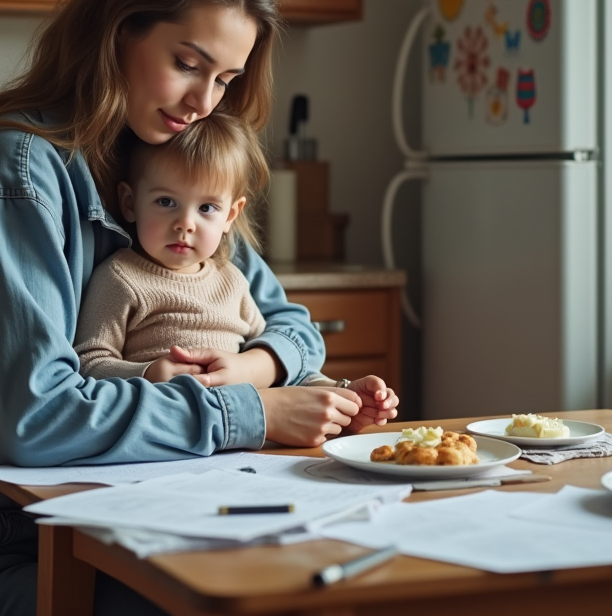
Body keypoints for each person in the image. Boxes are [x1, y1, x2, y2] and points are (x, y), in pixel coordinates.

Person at [0, 0, 393, 616]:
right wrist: (250, 413)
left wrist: (255, 369)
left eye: (225, 79)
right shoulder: (21, 170)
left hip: (124, 516)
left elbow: (293, 327)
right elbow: (38, 423)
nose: (204, 103)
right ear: (118, 28)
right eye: (187, 63)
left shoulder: (173, 174)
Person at [75, 112, 399, 424]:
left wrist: (333, 390)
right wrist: (146, 373)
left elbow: (271, 363)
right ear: (130, 203)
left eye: (206, 208)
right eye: (166, 202)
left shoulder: (232, 280)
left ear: (230, 215)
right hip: (174, 429)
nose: (185, 224)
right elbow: (88, 364)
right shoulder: (119, 279)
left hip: (246, 434)